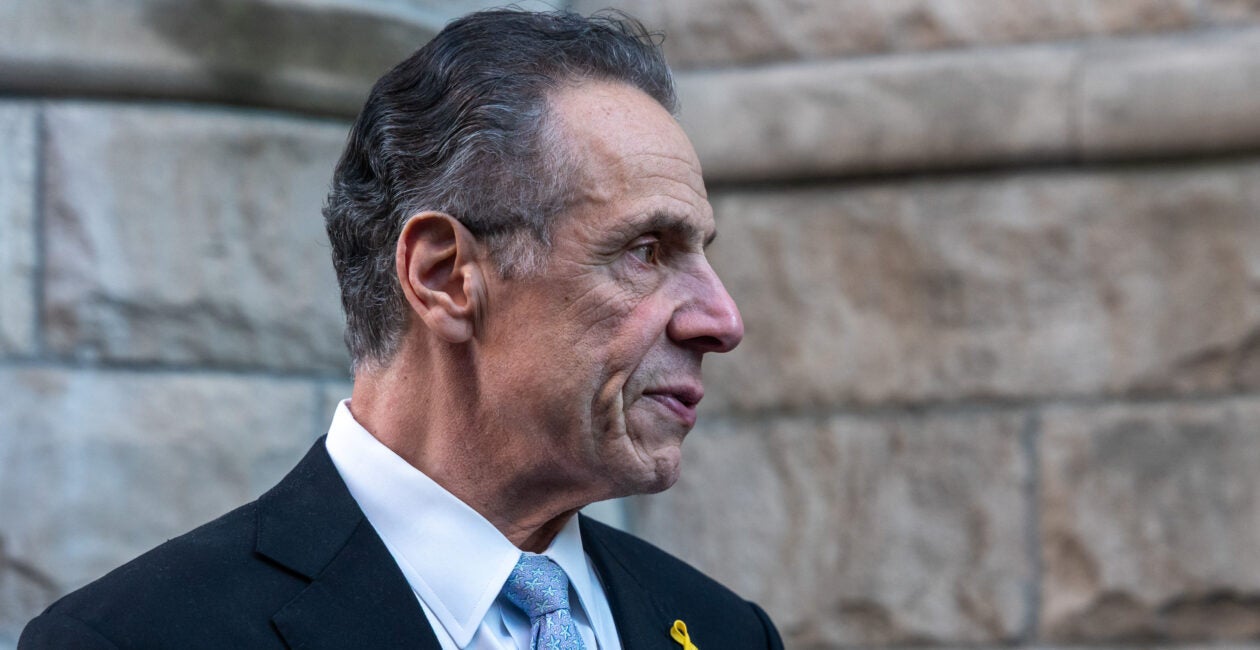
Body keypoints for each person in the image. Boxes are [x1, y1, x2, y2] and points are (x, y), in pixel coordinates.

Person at [20, 9, 782, 649]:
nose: (722, 321)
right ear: (444, 277)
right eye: (647, 251)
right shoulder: (136, 638)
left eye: (702, 255)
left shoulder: (727, 632)